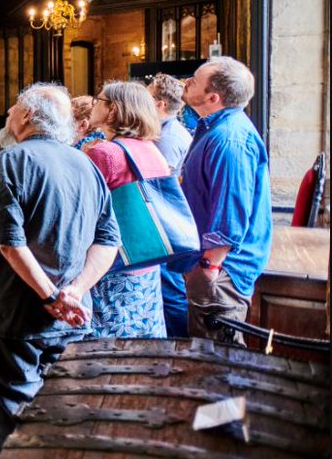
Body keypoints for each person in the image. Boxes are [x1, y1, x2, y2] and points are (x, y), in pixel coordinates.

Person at [0, 84, 120, 459]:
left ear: (26, 116)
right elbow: (109, 241)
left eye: (13, 108)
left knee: (11, 411)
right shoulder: (85, 163)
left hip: (12, 314)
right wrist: (74, 291)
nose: (8, 114)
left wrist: (51, 295)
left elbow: (9, 243)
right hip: (72, 314)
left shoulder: (11, 161)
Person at [180, 57, 273, 345]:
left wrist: (209, 268)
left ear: (213, 97)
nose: (187, 82)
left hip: (222, 270)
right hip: (212, 263)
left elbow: (231, 212)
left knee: (217, 357)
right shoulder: (214, 128)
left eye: (194, 80)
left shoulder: (229, 138)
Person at [84, 81, 171, 338]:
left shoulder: (107, 153)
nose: (93, 104)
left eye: (98, 100)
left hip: (112, 265)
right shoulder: (150, 149)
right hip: (146, 263)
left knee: (106, 347)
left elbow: (84, 211)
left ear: (113, 110)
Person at [147, 72, 194, 337]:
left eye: (148, 95)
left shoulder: (169, 139)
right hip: (168, 219)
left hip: (167, 222)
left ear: (160, 104)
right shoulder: (165, 132)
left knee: (171, 290)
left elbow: (157, 187)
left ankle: (177, 343)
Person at [147, 73, 192, 175]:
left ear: (160, 104)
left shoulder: (167, 138)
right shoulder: (164, 130)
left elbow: (155, 183)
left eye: (146, 97)